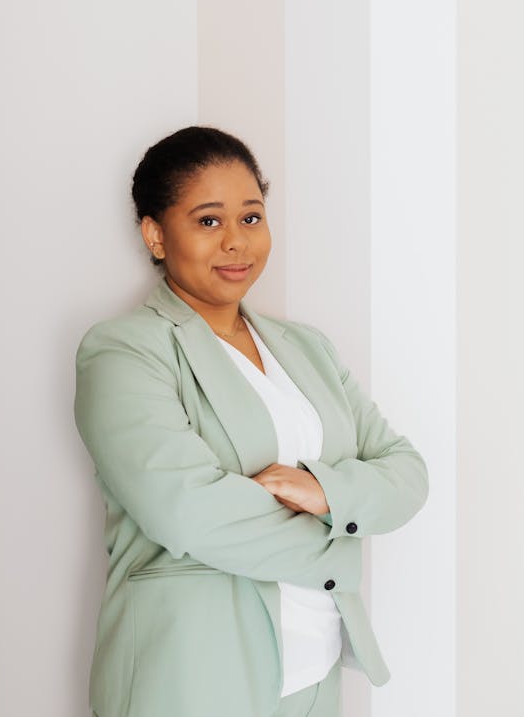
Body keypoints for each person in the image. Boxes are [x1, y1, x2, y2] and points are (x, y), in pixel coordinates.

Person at [75, 125, 428, 717]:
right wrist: (346, 538)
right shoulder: (124, 352)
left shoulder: (306, 347)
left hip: (312, 676)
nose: (237, 243)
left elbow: (407, 472)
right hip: (192, 674)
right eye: (209, 221)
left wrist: (326, 490)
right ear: (156, 235)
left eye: (252, 217)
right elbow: (187, 512)